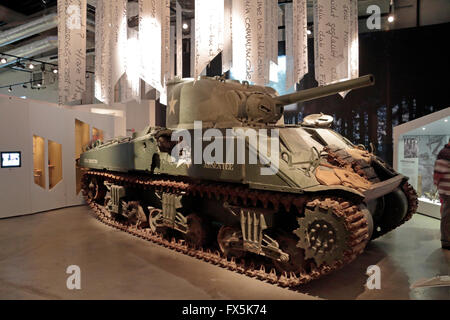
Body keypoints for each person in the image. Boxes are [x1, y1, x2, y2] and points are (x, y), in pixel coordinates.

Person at [434, 140, 450, 250]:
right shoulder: (445, 154)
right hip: (447, 191)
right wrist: (438, 186)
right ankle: (446, 241)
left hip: (446, 190)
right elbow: (437, 174)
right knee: (447, 216)